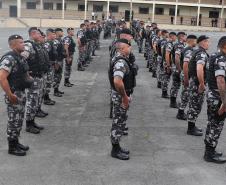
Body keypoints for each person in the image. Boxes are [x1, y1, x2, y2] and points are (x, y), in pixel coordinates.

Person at [0, 35, 33, 156]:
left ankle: (16, 141)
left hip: (21, 92)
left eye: (23, 42)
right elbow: (2, 78)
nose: (23, 44)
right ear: (13, 45)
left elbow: (22, 72)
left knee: (19, 119)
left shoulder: (20, 57)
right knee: (14, 120)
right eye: (20, 42)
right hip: (14, 93)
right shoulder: (9, 58)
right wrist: (10, 95)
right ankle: (12, 147)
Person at [109, 38, 138, 160]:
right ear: (121, 49)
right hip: (120, 96)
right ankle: (115, 150)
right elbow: (117, 81)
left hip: (122, 95)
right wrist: (125, 97)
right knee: (118, 121)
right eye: (128, 47)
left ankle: (117, 146)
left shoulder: (122, 59)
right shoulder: (120, 62)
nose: (130, 48)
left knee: (120, 121)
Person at [203, 36, 226, 163]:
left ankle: (210, 150)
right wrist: (225, 102)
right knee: (216, 125)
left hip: (213, 95)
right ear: (224, 46)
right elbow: (221, 80)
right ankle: (209, 154)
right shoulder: (221, 59)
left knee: (212, 123)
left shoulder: (213, 56)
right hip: (218, 98)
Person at [22, 27, 46, 134]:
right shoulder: (28, 45)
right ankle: (28, 124)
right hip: (33, 78)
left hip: (38, 77)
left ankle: (32, 122)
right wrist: (27, 74)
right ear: (33, 34)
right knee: (31, 101)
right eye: (38, 33)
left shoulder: (36, 45)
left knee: (35, 100)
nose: (41, 35)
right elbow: (21, 59)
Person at [186, 35, 209, 136]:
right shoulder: (201, 54)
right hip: (197, 83)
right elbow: (199, 69)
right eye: (207, 41)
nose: (209, 43)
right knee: (195, 105)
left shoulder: (196, 51)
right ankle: (190, 129)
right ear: (202, 42)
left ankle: (192, 125)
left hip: (194, 81)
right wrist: (202, 84)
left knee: (194, 104)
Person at [176, 35, 197, 120]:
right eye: (195, 41)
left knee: (185, 93)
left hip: (185, 74)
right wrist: (186, 78)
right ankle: (180, 112)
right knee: (186, 94)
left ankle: (181, 111)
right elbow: (185, 64)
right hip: (186, 74)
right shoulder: (189, 50)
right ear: (191, 41)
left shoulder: (185, 48)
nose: (196, 43)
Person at [169, 32, 186, 108]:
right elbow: (177, 57)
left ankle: (173, 102)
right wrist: (179, 68)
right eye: (185, 36)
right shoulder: (179, 45)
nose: (186, 38)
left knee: (175, 85)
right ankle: (174, 102)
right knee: (178, 85)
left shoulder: (178, 44)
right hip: (177, 68)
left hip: (175, 67)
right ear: (182, 37)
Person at [161, 32, 177, 98]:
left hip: (165, 62)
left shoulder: (166, 43)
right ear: (172, 37)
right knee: (166, 78)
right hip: (168, 63)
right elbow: (167, 54)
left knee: (165, 77)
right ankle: (164, 93)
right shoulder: (169, 44)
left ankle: (164, 92)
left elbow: (162, 51)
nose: (176, 38)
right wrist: (168, 65)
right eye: (175, 36)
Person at [53, 28, 65, 96]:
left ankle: (57, 89)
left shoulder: (60, 40)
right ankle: (55, 91)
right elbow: (54, 53)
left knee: (59, 75)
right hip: (58, 61)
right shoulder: (55, 41)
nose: (62, 33)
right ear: (57, 32)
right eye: (61, 31)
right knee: (56, 76)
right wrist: (56, 62)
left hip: (61, 60)